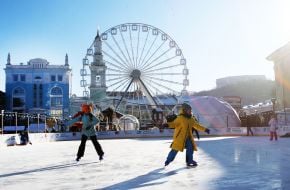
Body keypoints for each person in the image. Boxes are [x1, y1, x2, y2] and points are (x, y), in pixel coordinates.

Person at [164, 103, 210, 167]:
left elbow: (196, 126)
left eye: (190, 110)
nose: (190, 111)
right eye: (189, 110)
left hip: (188, 137)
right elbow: (174, 124)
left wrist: (205, 129)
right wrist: (167, 124)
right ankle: (168, 160)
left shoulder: (191, 119)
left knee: (190, 148)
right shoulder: (180, 118)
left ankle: (189, 161)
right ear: (184, 110)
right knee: (175, 149)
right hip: (179, 138)